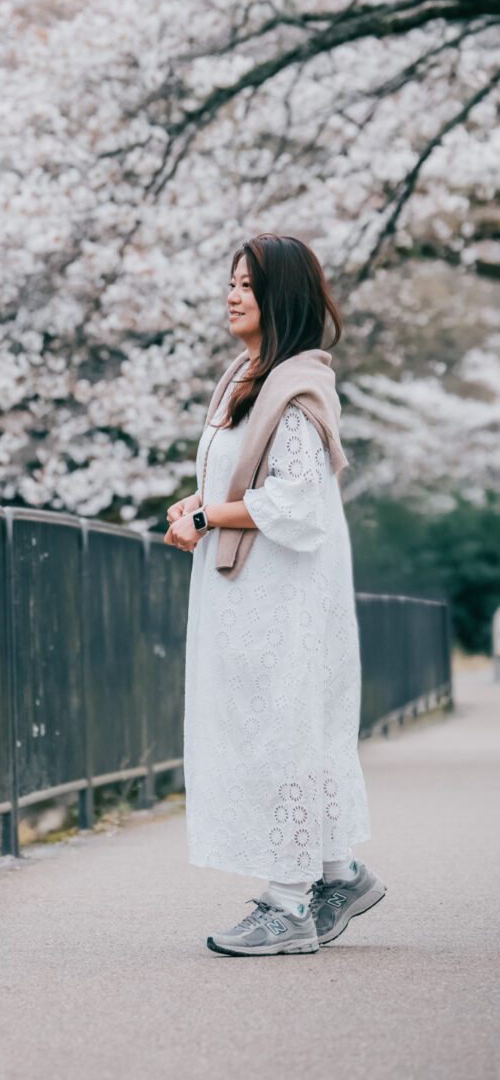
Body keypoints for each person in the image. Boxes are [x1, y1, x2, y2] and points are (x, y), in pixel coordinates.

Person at [165, 233, 386, 956]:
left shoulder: (296, 388)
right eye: (230, 283)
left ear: (279, 298)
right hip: (246, 591)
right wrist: (193, 508)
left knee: (280, 732)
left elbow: (298, 505)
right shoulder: (246, 374)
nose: (233, 296)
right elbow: (233, 479)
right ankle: (338, 874)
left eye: (248, 287)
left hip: (283, 595)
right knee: (271, 728)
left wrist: (209, 516)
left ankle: (288, 906)